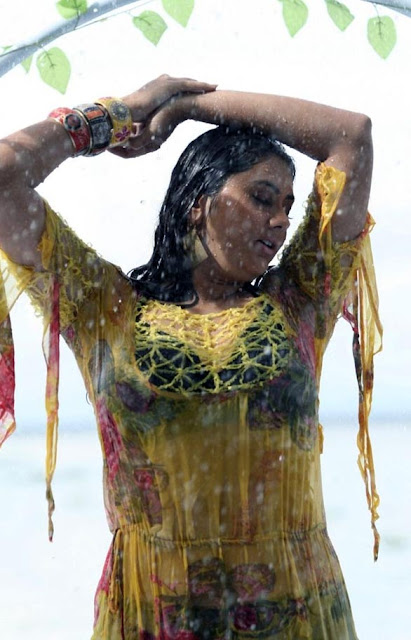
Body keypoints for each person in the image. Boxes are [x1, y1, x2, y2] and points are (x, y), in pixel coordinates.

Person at [0, 75, 382, 639]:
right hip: (152, 611)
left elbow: (351, 136)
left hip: (297, 611)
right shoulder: (102, 307)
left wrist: (191, 109)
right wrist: (122, 112)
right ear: (198, 205)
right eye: (261, 198)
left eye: (287, 206)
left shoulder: (303, 299)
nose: (281, 221)